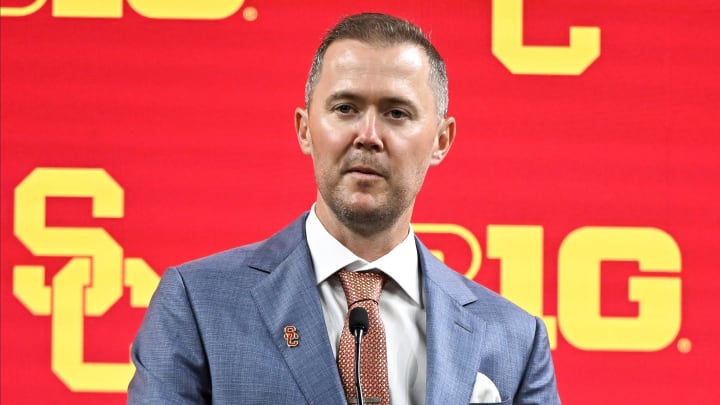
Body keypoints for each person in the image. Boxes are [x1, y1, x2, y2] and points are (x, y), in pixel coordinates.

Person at [128, 12, 560, 405]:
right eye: (345, 108)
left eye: (396, 112)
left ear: (441, 141)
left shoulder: (514, 342)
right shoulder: (199, 304)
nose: (368, 135)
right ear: (305, 129)